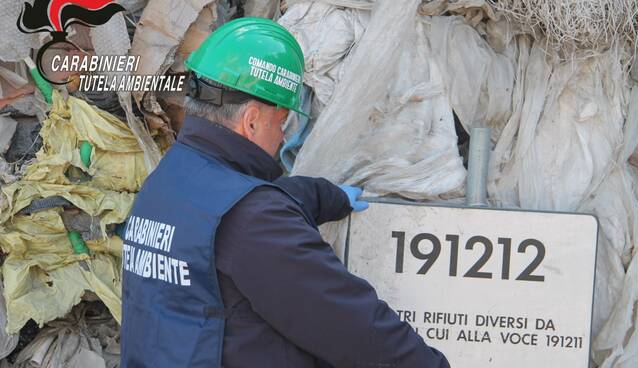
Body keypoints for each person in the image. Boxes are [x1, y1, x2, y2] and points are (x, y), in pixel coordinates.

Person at [119, 17, 450, 368]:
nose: (282, 138)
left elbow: (241, 215)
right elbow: (353, 328)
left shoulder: (168, 180)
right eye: (281, 123)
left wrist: (324, 196)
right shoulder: (254, 219)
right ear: (250, 121)